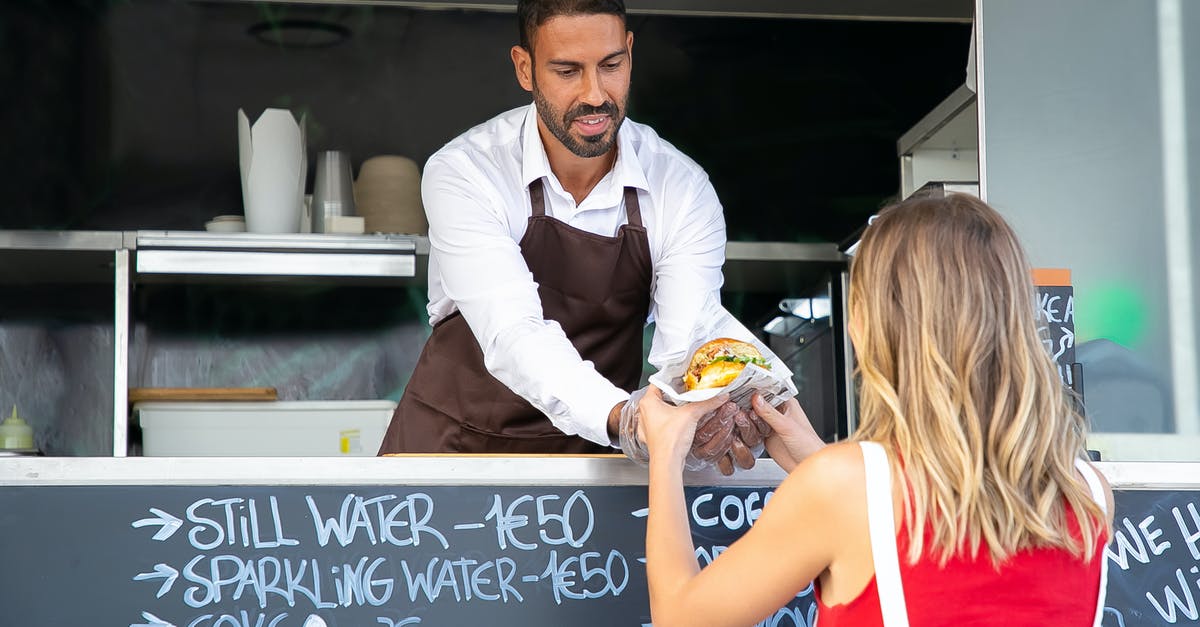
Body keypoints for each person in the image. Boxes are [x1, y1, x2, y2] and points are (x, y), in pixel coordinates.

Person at [639, 193, 1115, 626]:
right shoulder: (1089, 491)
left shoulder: (838, 489)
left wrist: (665, 451)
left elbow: (681, 617)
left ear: (870, 325)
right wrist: (817, 457)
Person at [378, 0, 759, 471]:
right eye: (567, 71)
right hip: (450, 453)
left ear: (630, 54)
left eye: (611, 65)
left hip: (591, 466)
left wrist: (703, 417)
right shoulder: (467, 171)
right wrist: (627, 418)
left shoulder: (680, 187)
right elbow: (513, 331)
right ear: (525, 68)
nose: (595, 94)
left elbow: (684, 347)